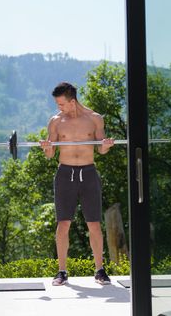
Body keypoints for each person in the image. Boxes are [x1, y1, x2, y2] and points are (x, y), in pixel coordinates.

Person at [40, 81, 114, 286]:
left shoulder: (94, 119)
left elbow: (101, 149)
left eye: (61, 104)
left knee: (94, 224)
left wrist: (106, 145)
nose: (59, 108)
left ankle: (99, 270)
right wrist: (46, 147)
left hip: (89, 173)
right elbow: (50, 155)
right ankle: (62, 271)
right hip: (65, 174)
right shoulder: (55, 121)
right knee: (63, 224)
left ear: (72, 102)